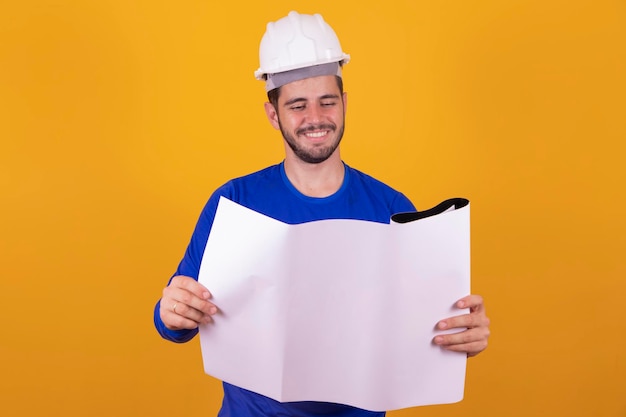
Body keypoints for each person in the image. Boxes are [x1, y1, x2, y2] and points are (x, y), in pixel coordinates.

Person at [154, 11, 490, 417]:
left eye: (326, 102)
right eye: (298, 105)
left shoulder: (392, 210)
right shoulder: (234, 203)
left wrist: (463, 341)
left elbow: (425, 336)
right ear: (273, 114)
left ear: (344, 103)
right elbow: (176, 323)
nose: (315, 118)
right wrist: (171, 310)